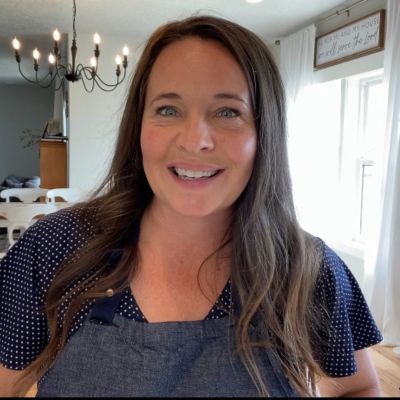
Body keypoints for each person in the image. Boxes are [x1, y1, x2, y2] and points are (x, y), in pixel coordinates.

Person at [0, 15, 383, 397]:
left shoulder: (307, 270)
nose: (195, 140)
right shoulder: (55, 248)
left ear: (264, 134)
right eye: (168, 109)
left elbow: (359, 388)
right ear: (138, 128)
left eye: (228, 112)